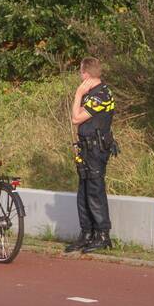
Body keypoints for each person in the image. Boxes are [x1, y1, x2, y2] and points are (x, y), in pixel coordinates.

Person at [64, 57, 118, 254]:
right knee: (84, 191)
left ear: (86, 73)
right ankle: (87, 234)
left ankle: (102, 235)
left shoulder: (100, 95)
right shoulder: (93, 93)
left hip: (96, 149)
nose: (80, 75)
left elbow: (75, 118)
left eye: (80, 72)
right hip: (86, 148)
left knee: (95, 190)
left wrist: (78, 94)